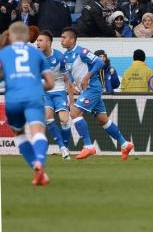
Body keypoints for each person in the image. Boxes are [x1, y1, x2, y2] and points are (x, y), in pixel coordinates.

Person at [60, 27, 134, 160]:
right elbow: (69, 80)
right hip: (85, 90)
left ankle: (88, 146)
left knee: (75, 113)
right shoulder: (65, 57)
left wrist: (87, 77)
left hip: (93, 87)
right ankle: (125, 144)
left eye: (64, 37)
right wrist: (71, 102)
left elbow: (99, 62)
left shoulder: (82, 51)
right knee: (102, 120)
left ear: (72, 39)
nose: (61, 40)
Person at [0, 22, 55, 185]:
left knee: (19, 133)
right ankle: (39, 161)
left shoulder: (4, 53)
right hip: (34, 96)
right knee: (38, 132)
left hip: (13, 99)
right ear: (27, 37)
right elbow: (50, 83)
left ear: (10, 35)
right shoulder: (36, 53)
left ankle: (36, 168)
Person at [36, 30, 72, 160]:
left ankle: (66, 147)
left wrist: (71, 101)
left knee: (64, 120)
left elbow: (67, 79)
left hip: (59, 90)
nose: (37, 43)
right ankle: (62, 148)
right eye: (37, 40)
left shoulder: (60, 57)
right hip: (44, 91)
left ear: (49, 42)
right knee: (48, 118)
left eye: (40, 40)